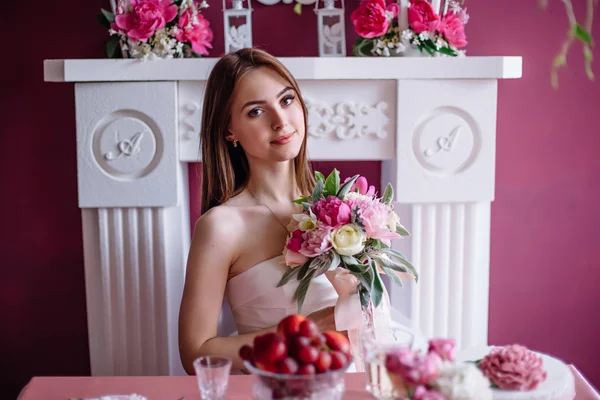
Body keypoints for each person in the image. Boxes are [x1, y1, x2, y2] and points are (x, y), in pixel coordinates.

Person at [177, 48, 344, 374]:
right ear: (229, 130)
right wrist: (305, 331)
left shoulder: (342, 208)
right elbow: (195, 354)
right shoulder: (222, 226)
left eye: (286, 100)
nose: (281, 122)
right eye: (256, 111)